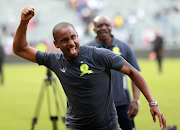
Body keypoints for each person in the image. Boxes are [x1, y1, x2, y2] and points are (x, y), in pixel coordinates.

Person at [13, 6, 166, 130]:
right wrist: (24, 22)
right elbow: (20, 49)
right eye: (64, 40)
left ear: (78, 36)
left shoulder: (98, 54)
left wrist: (152, 103)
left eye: (73, 37)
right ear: (56, 44)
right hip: (76, 127)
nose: (71, 43)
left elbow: (133, 71)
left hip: (109, 126)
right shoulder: (54, 60)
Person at [86, 15, 140, 130]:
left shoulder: (124, 47)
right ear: (94, 29)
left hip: (122, 102)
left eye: (107, 25)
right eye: (99, 25)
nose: (104, 28)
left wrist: (136, 100)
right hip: (97, 105)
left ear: (111, 27)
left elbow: (135, 75)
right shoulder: (86, 49)